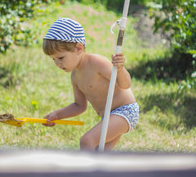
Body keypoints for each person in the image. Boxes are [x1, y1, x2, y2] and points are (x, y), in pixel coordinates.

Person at [42, 18, 139, 151]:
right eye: (54, 59)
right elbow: (79, 106)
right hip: (108, 116)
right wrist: (58, 115)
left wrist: (121, 69)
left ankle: (86, 172)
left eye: (61, 58)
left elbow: (125, 84)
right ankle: (100, 171)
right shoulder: (75, 76)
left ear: (78, 48)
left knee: (87, 141)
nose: (57, 64)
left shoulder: (96, 62)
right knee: (100, 152)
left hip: (125, 110)